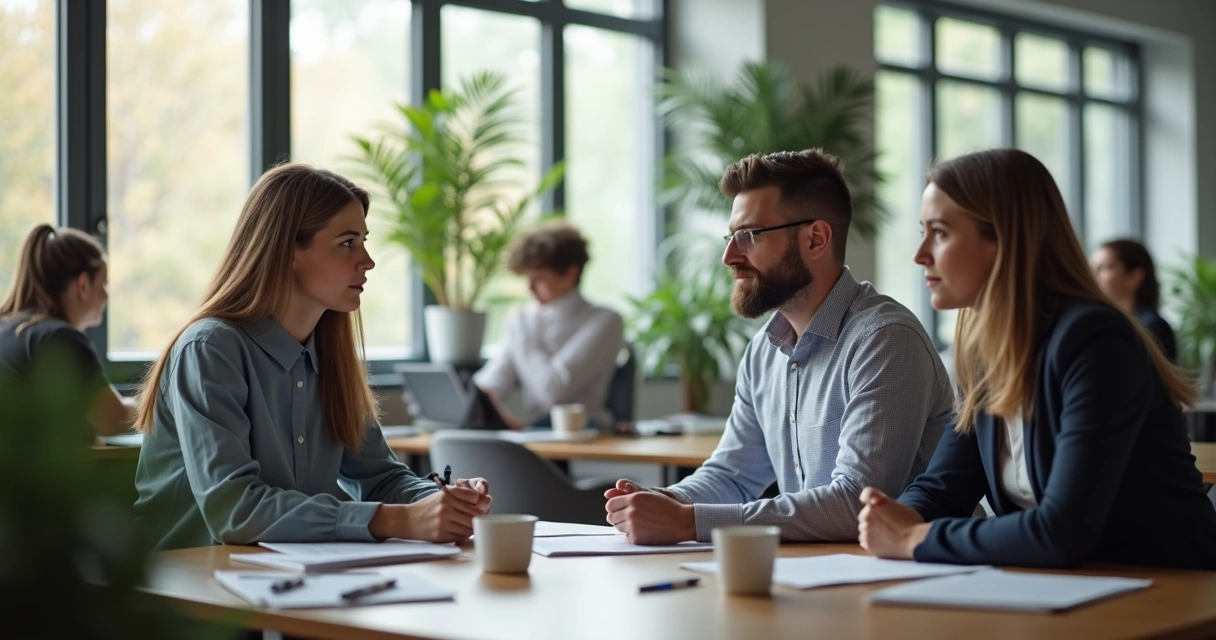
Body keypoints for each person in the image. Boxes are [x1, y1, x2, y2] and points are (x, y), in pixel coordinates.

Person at [858, 148, 1216, 570]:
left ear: (1004, 241)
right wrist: (904, 514)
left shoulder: (1096, 341)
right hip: (1068, 592)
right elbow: (943, 486)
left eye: (939, 233)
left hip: (1169, 590)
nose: (920, 254)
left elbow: (1062, 531)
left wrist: (914, 537)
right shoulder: (986, 351)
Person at [132, 164, 492, 550]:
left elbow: (381, 478)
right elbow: (234, 510)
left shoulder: (333, 359)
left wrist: (442, 501)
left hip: (291, 578)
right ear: (287, 251)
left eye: (364, 242)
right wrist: (397, 519)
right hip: (189, 586)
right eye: (348, 243)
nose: (367, 261)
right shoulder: (209, 350)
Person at [604, 149, 954, 545]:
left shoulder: (885, 341)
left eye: (749, 236)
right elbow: (733, 475)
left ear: (816, 238)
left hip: (911, 580)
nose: (729, 257)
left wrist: (688, 522)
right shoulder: (763, 351)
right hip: (819, 577)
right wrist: (665, 501)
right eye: (731, 236)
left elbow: (857, 505)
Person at [474, 222, 624, 429]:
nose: (529, 288)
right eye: (527, 279)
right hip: (536, 433)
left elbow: (552, 389)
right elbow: (493, 381)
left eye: (539, 279)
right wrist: (483, 403)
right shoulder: (526, 319)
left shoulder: (605, 320)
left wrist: (521, 332)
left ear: (570, 274)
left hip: (585, 434)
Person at [0, 225, 134, 438]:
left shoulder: (7, 328)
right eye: (103, 282)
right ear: (83, 284)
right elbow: (112, 420)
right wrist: (158, 406)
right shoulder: (58, 338)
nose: (107, 295)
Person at [1091, 239, 1177, 361]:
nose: (1093, 275)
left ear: (1134, 277)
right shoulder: (1112, 323)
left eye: (1105, 267)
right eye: (1093, 268)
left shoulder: (1151, 327)